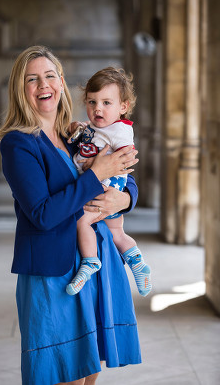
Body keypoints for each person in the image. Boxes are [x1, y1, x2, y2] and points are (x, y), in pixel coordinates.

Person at [0, 45, 141, 385]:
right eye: (32, 79)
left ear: (60, 82)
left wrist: (124, 200)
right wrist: (94, 175)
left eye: (49, 76)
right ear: (21, 89)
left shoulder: (73, 134)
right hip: (53, 272)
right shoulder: (18, 144)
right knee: (63, 375)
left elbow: (124, 174)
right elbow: (42, 214)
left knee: (89, 372)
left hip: (91, 263)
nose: (43, 84)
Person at [66, 68, 151, 297]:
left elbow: (125, 158)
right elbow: (87, 137)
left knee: (82, 221)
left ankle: (90, 261)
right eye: (92, 102)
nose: (97, 109)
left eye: (106, 102)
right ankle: (137, 263)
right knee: (118, 234)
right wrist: (78, 129)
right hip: (104, 186)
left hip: (105, 187)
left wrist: (96, 163)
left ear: (122, 107)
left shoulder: (120, 130)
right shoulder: (98, 127)